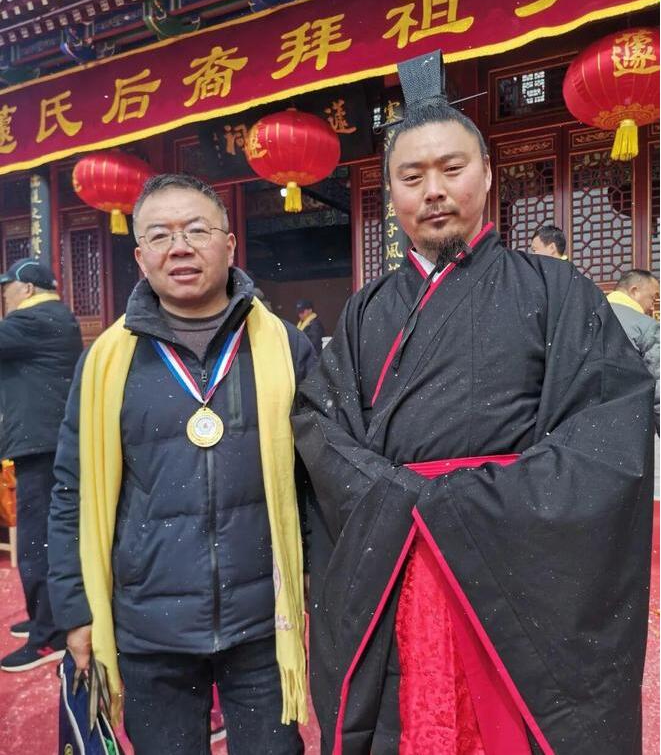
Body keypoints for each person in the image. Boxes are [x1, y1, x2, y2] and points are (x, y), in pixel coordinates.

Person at [292, 51, 655, 755]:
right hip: (398, 557)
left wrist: (470, 501)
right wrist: (395, 495)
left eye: (452, 168)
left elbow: (608, 425)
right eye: (411, 176)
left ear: (487, 176)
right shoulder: (365, 311)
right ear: (391, 193)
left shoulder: (556, 291)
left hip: (511, 566)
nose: (433, 191)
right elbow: (320, 426)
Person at [48, 174, 314, 754]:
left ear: (229, 244)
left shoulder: (283, 348)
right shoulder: (106, 363)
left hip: (262, 622)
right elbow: (72, 491)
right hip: (150, 626)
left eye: (197, 230)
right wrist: (74, 610)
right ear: (140, 256)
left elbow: (314, 478)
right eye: (160, 235)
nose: (180, 248)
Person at [0, 258, 82, 672]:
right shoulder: (54, 318)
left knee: (37, 543)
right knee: (45, 538)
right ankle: (44, 619)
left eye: (7, 289)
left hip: (42, 449)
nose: (4, 297)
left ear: (27, 288)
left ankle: (49, 636)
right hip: (50, 445)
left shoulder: (32, 320)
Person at [607, 269, 659, 433]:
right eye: (653, 297)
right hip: (626, 425)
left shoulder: (581, 317)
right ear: (634, 291)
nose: (652, 306)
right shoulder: (646, 327)